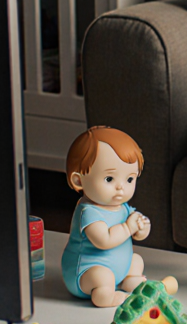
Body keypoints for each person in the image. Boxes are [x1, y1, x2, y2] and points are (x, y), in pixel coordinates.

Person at [62, 126, 152, 307]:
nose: (121, 187)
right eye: (109, 179)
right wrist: (128, 228)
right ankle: (104, 296)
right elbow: (103, 240)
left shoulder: (123, 207)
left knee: (136, 260)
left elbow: (137, 233)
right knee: (103, 276)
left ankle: (128, 280)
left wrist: (141, 228)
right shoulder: (88, 212)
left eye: (129, 179)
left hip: (117, 271)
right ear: (79, 181)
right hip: (84, 274)